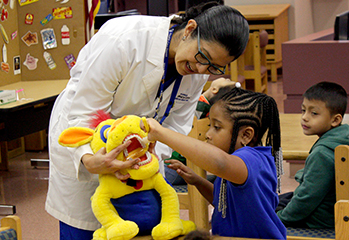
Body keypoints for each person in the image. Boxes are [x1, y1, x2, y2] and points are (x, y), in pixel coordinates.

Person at [45, 1, 249, 239]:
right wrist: (88, 158)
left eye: (213, 67)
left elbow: (176, 125)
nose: (201, 68)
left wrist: (147, 155)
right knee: (86, 224)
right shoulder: (124, 40)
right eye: (203, 56)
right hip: (87, 133)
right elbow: (84, 111)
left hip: (139, 155)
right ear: (190, 29)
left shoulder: (196, 70)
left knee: (142, 226)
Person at [145, 88, 286, 239]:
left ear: (246, 135)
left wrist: (161, 133)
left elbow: (220, 163)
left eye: (217, 127)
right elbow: (224, 203)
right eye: (209, 126)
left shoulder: (251, 159)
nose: (208, 134)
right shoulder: (239, 162)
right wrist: (198, 181)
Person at [276, 81, 349, 229]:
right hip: (331, 210)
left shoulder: (322, 154)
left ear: (335, 120)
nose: (304, 117)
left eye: (313, 113)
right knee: (279, 199)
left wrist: (279, 219)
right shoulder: (342, 137)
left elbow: (306, 199)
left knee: (264, 212)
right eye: (303, 110)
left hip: (320, 219)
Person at [165, 78, 239, 185]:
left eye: (227, 80)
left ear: (214, 89)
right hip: (183, 167)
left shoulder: (197, 104)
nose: (227, 78)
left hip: (171, 166)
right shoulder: (213, 111)